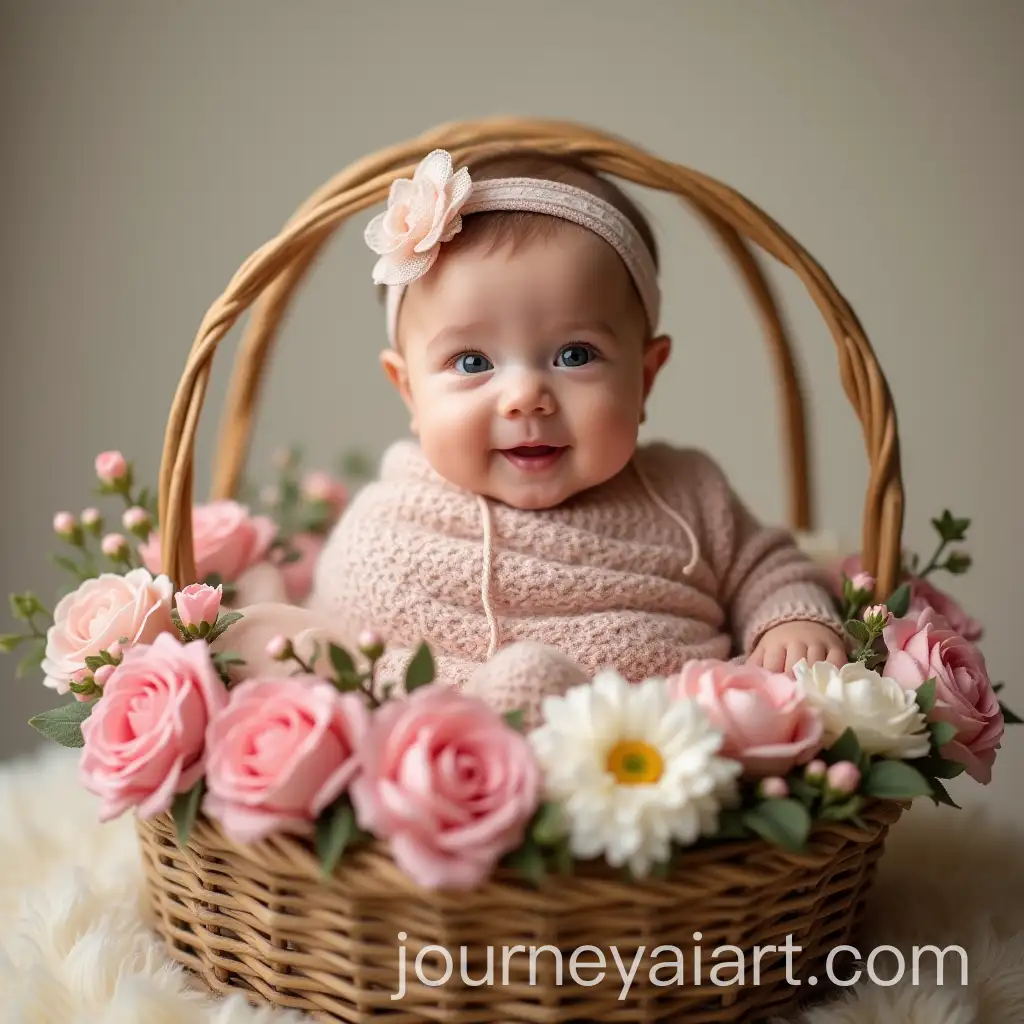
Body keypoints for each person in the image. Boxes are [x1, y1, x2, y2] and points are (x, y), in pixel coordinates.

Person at [300, 146, 846, 712]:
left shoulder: (687, 493)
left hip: (665, 766)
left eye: (575, 354)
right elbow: (324, 654)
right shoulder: (386, 524)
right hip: (452, 774)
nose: (525, 398)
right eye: (471, 363)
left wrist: (789, 622)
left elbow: (767, 566)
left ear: (646, 375)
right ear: (408, 389)